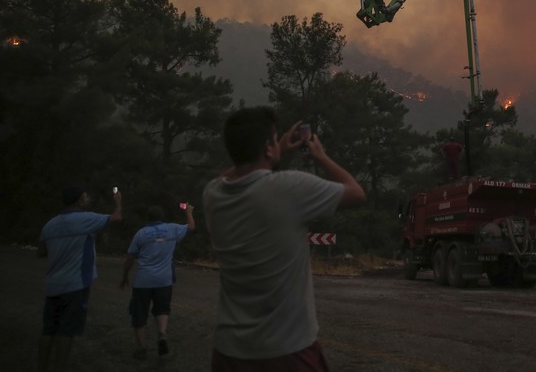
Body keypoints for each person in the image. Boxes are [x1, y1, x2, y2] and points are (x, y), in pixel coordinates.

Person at [204, 106, 366, 371]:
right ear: (268, 148)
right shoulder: (289, 187)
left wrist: (273, 148)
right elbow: (356, 193)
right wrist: (321, 157)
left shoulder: (212, 195)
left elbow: (227, 176)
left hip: (228, 351)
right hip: (286, 351)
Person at [38, 185, 123, 371]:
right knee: (66, 331)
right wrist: (118, 201)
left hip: (53, 284)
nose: (88, 198)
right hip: (75, 285)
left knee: (49, 329)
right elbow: (117, 217)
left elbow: (41, 252)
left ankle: (42, 366)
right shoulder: (86, 219)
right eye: (85, 196)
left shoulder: (50, 225)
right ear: (79, 200)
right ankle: (60, 367)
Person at [120, 203, 196, 360]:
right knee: (162, 310)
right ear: (162, 217)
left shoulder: (141, 233)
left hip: (143, 281)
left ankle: (142, 348)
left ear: (148, 218)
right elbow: (191, 227)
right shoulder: (172, 229)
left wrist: (124, 275)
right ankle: (162, 333)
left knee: (139, 313)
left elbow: (130, 258)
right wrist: (188, 211)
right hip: (164, 280)